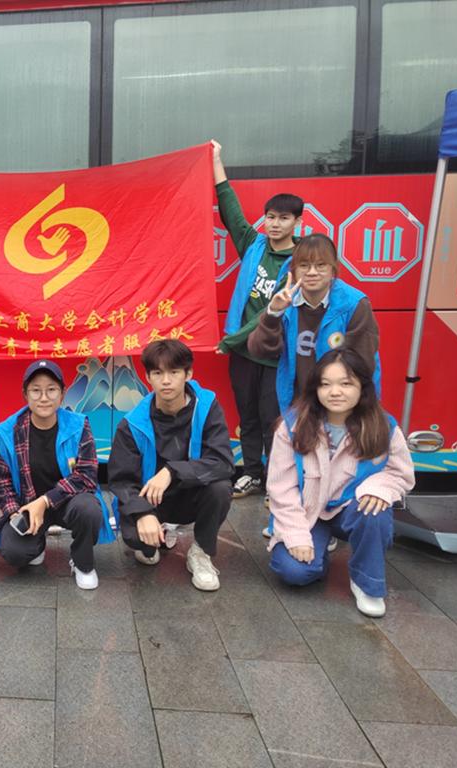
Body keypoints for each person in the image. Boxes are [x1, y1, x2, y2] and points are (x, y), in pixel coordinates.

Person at [266, 348, 413, 617]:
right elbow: (281, 488)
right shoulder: (292, 426)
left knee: (376, 509)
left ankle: (367, 583)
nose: (335, 392)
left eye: (346, 384)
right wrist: (297, 537)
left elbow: (401, 473)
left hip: (351, 509)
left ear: (362, 387)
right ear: (315, 388)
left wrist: (378, 489)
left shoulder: (384, 426)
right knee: (294, 572)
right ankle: (319, 551)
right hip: (308, 512)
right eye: (326, 384)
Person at [212, 139, 301, 501]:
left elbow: (271, 313)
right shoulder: (254, 245)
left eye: (283, 218)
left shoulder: (300, 261)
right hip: (243, 354)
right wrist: (216, 160)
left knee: (272, 420)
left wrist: (229, 341)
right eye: (271, 217)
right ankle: (251, 473)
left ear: (297, 221)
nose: (275, 224)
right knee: (246, 416)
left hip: (274, 354)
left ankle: (277, 481)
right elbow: (230, 208)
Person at [109, 339, 234, 591]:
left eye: (174, 372)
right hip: (152, 500)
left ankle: (201, 552)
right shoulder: (133, 422)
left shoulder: (206, 407)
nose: (166, 381)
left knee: (220, 487)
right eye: (158, 373)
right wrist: (143, 513)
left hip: (192, 495)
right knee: (141, 545)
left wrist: (171, 471)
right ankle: (156, 533)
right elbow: (121, 480)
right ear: (148, 377)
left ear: (188, 374)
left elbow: (222, 462)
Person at [0, 360, 114, 591]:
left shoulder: (78, 425)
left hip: (69, 502)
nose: (44, 397)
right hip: (29, 505)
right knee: (14, 552)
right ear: (25, 395)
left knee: (89, 509)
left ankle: (82, 562)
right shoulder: (9, 432)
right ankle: (36, 545)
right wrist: (15, 512)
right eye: (36, 390)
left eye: (51, 389)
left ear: (62, 394)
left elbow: (86, 475)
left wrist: (45, 501)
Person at [248, 233, 381, 415]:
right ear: (293, 270)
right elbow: (259, 350)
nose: (312, 272)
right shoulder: (286, 301)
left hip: (342, 406)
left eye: (320, 265)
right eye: (304, 266)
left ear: (333, 269)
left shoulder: (354, 304)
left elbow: (364, 364)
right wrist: (273, 313)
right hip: (298, 406)